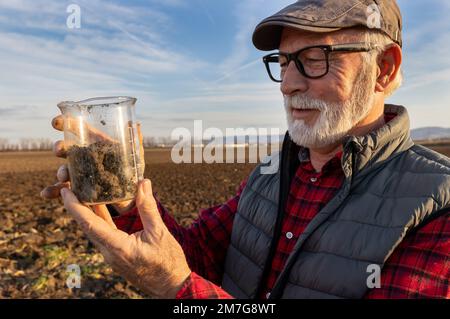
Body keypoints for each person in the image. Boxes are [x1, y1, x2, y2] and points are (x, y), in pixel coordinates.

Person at [41, 0, 450, 299]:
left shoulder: (436, 205)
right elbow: (196, 255)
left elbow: (184, 278)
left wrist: (177, 290)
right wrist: (122, 191)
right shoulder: (271, 176)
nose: (288, 83)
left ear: (385, 69)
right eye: (284, 61)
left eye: (314, 58)